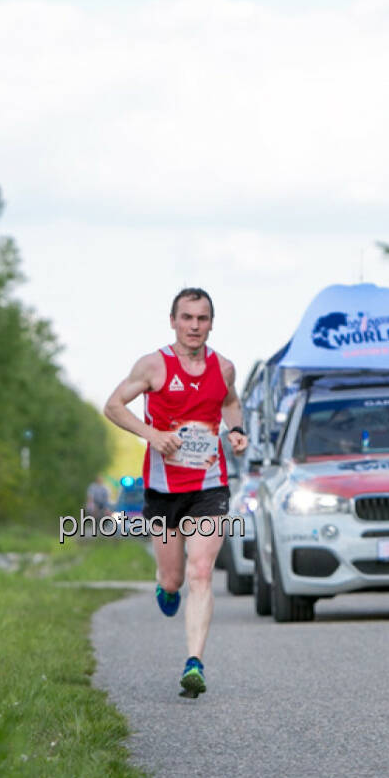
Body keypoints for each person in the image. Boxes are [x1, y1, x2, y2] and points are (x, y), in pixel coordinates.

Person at [104, 288, 248, 697]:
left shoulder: (224, 368)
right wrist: (152, 435)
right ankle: (165, 587)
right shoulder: (153, 365)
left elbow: (231, 404)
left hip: (209, 486)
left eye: (202, 319)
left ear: (211, 323)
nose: (194, 326)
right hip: (164, 489)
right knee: (174, 578)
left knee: (202, 573)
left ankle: (194, 664)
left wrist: (235, 432)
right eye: (187, 318)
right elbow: (113, 406)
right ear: (173, 321)